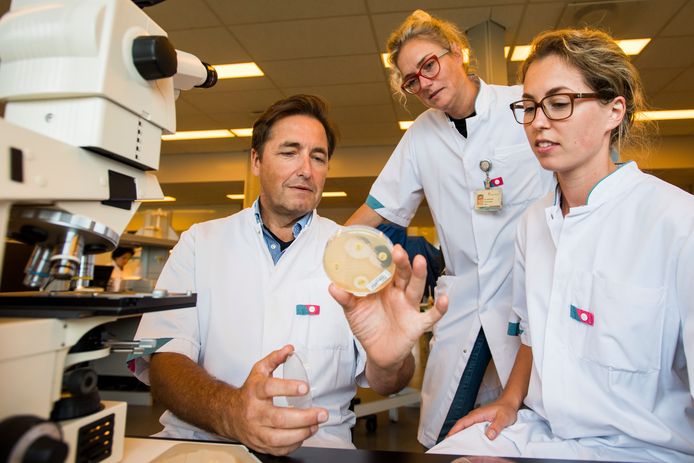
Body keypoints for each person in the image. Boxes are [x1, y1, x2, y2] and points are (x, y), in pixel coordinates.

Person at [130, 94, 448, 456]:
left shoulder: (352, 254)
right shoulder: (199, 243)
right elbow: (161, 358)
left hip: (318, 448)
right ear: (256, 160)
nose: (306, 169)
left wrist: (392, 362)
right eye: (289, 152)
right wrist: (230, 411)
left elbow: (388, 382)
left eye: (318, 157)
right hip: (204, 444)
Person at [430, 28, 694, 461]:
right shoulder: (533, 223)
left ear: (614, 110)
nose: (538, 121)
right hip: (544, 428)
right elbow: (533, 334)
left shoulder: (678, 223)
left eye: (559, 103)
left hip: (643, 446)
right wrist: (509, 402)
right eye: (530, 106)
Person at [346, 10, 553, 448]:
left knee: (530, 431)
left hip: (529, 295)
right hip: (462, 302)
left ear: (458, 53)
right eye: (410, 80)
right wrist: (325, 250)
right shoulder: (421, 135)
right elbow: (379, 208)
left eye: (429, 65)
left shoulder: (522, 106)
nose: (422, 82)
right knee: (442, 437)